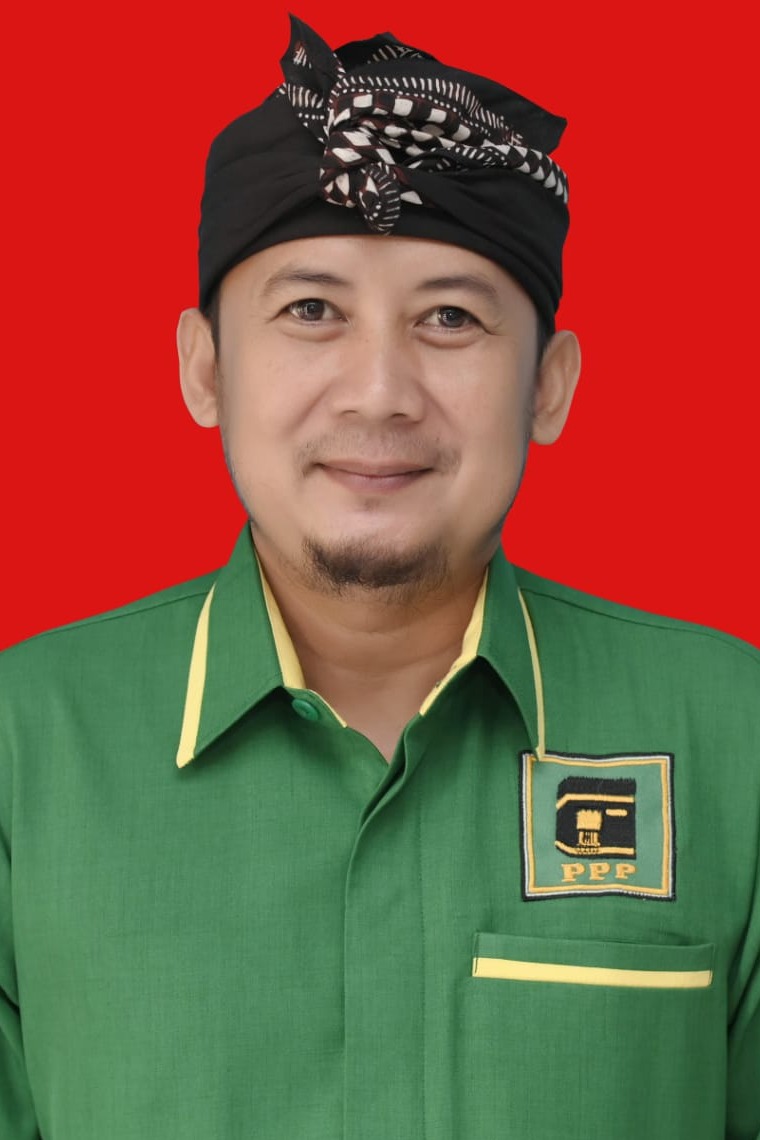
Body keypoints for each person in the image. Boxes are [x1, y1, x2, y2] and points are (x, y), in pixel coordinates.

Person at [0, 15, 757, 1139]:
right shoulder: (22, 747)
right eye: (311, 311)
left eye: (450, 317)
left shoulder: (732, 736)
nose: (379, 392)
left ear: (548, 386)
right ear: (204, 369)